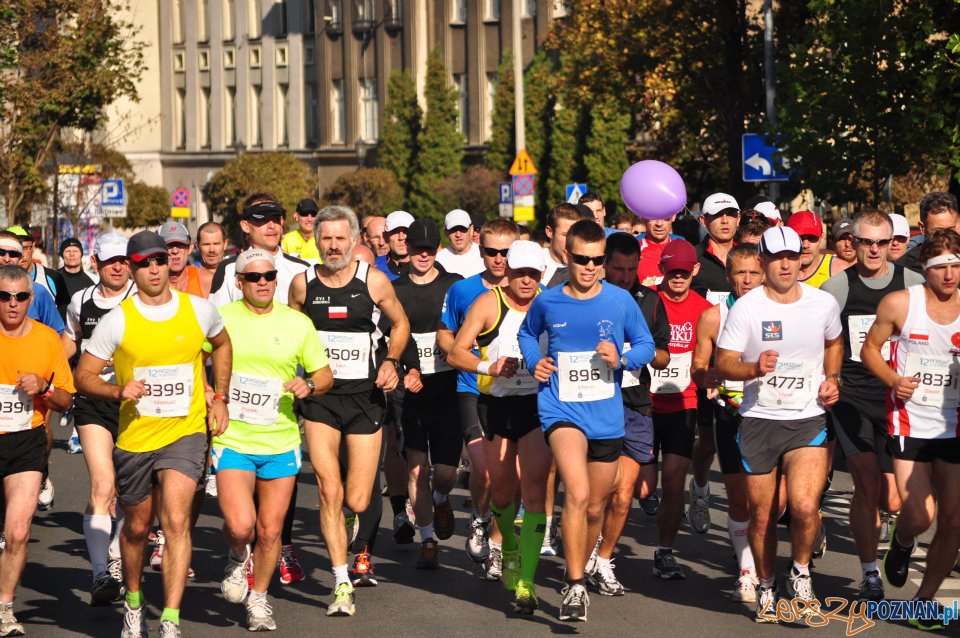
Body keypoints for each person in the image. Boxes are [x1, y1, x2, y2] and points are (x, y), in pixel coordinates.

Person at [74, 230, 232, 638]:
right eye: (145, 263)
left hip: (185, 432)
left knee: (176, 521)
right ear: (132, 268)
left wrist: (220, 396)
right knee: (138, 528)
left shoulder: (198, 310)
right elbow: (83, 375)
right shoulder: (118, 320)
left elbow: (222, 343)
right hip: (136, 438)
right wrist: (116, 390)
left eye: (160, 260)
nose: (155, 268)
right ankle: (133, 602)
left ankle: (171, 619)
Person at [518, 220, 655, 621]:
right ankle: (576, 585)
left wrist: (624, 359)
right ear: (566, 256)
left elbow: (646, 344)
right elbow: (529, 334)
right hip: (560, 408)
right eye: (582, 260)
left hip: (606, 416)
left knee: (596, 507)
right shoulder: (549, 301)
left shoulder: (619, 301)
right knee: (575, 493)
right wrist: (534, 361)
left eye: (598, 260)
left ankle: (576, 558)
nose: (590, 267)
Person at [715, 226, 843, 623]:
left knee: (805, 506)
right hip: (759, 421)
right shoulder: (747, 308)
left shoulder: (822, 303)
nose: (786, 264)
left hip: (807, 418)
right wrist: (754, 367)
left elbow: (834, 342)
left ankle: (801, 572)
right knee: (764, 515)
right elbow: (723, 364)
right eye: (777, 257)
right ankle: (767, 582)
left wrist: (832, 378)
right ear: (764, 261)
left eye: (792, 256)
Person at [288, 205, 410, 617]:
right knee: (328, 489)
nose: (334, 246)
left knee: (358, 498)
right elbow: (290, 335)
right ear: (316, 241)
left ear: (354, 240)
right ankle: (341, 582)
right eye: (326, 239)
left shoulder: (372, 281)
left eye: (341, 238)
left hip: (365, 399)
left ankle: (355, 537)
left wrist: (392, 361)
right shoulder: (302, 285)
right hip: (320, 400)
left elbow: (401, 324)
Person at [212, 249, 332, 632]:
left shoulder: (297, 323)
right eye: (254, 277)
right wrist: (213, 398)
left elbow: (324, 374)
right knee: (241, 526)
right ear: (239, 282)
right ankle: (236, 556)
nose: (262, 282)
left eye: (268, 276)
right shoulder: (221, 320)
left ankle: (259, 600)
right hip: (234, 437)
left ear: (276, 280)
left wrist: (308, 384)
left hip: (280, 439)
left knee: (269, 531)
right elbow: (196, 362)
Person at [821, 209, 922, 603]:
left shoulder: (911, 283)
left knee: (894, 499)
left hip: (899, 398)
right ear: (855, 243)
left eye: (882, 242)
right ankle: (868, 574)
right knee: (864, 482)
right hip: (853, 397)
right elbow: (824, 341)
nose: (875, 250)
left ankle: (903, 540)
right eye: (867, 242)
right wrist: (828, 380)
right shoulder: (837, 288)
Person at [861, 229, 960, 630]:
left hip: (954, 426)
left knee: (954, 521)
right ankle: (903, 541)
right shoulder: (901, 303)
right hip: (910, 422)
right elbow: (869, 348)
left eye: (956, 265)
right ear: (925, 270)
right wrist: (892, 379)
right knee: (918, 515)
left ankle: (923, 603)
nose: (950, 274)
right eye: (941, 267)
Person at [448, 240, 551, 613]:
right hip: (497, 406)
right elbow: (456, 351)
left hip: (538, 407)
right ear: (507, 271)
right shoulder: (489, 303)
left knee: (535, 490)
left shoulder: (551, 302)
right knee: (503, 493)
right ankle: (506, 542)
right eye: (520, 273)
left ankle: (527, 580)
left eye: (533, 274)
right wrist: (487, 367)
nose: (526, 281)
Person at [586, 232, 671, 595]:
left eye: (631, 269)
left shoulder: (650, 300)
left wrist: (638, 351)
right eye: (617, 268)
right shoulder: (590, 298)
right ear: (605, 264)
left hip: (635, 404)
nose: (624, 276)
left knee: (625, 494)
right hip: (593, 402)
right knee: (595, 495)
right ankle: (585, 551)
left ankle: (604, 560)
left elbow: (665, 355)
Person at [436, 219, 518, 574]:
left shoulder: (535, 292)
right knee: (484, 473)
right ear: (479, 249)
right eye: (491, 251)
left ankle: (493, 538)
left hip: (517, 395)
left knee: (506, 477)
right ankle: (481, 517)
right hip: (473, 389)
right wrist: (465, 357)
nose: (499, 259)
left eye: (506, 252)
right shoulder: (462, 290)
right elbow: (446, 335)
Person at [61, 232, 136, 606]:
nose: (119, 266)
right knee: (103, 485)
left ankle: (118, 558)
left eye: (124, 260)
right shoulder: (81, 301)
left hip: (134, 405)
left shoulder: (140, 300)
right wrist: (55, 372)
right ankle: (99, 574)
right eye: (111, 262)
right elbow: (70, 340)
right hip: (92, 402)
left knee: (130, 492)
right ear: (96, 264)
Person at [0, 265, 75, 636]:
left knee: (17, 531)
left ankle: (5, 609)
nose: (12, 304)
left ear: (31, 299)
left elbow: (65, 400)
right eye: (4, 296)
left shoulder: (47, 340)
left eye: (20, 297)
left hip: (26, 441)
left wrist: (44, 387)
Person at [691, 243, 765, 602]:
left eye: (754, 272)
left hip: (775, 416)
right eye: (741, 273)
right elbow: (698, 364)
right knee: (738, 498)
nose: (748, 280)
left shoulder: (782, 311)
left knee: (774, 503)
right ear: (728, 276)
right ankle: (747, 572)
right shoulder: (713, 316)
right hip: (731, 414)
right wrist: (704, 378)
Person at [391, 219, 463, 569]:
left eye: (429, 248)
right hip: (412, 389)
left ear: (437, 249)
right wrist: (406, 370)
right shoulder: (396, 290)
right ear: (406, 249)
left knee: (446, 472)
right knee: (417, 469)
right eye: (417, 247)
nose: (423, 253)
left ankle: (441, 498)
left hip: (448, 386)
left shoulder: (455, 285)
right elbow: (388, 340)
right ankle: (428, 538)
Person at [645, 240, 713, 577]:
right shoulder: (647, 303)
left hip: (683, 403)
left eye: (684, 272)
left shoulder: (704, 310)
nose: (678, 278)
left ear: (694, 271)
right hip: (644, 405)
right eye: (672, 272)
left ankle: (664, 551)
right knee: (640, 487)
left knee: (673, 483)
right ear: (662, 270)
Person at [209, 194, 310, 307]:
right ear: (245, 226)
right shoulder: (228, 269)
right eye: (262, 219)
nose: (271, 226)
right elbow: (216, 319)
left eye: (276, 218)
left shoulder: (303, 270)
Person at [6, 226, 69, 316]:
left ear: (33, 247)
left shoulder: (53, 278)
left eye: (24, 248)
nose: (21, 254)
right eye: (14, 250)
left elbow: (65, 315)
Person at [691, 193, 740, 305]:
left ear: (738, 219)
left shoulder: (751, 257)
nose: (725, 220)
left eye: (731, 214)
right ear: (703, 220)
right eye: (717, 214)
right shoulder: (692, 257)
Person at [895, 192, 960, 274]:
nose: (945, 237)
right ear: (922, 228)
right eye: (938, 231)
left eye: (950, 230)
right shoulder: (902, 270)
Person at [785, 211, 850, 287]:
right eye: (799, 237)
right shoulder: (775, 272)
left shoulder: (840, 270)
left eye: (812, 238)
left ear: (822, 238)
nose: (805, 245)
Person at [158, 222, 212, 298]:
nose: (175, 251)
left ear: (190, 248)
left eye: (180, 245)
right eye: (168, 246)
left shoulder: (207, 280)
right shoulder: (149, 284)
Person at [436, 209, 483, 278]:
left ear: (471, 229)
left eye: (462, 229)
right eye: (453, 229)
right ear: (445, 232)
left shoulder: (484, 255)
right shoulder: (438, 259)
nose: (458, 235)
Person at [542, 204, 581, 286]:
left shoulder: (588, 266)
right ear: (549, 232)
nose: (572, 241)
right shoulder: (535, 263)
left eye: (576, 235)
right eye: (566, 235)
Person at [636, 215, 675, 287]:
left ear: (673, 216)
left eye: (665, 217)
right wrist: (640, 290)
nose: (659, 224)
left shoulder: (682, 250)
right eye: (653, 217)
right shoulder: (633, 252)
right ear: (643, 217)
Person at [374, 211, 413, 281]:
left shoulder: (427, 267)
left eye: (406, 231)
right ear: (386, 236)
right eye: (395, 232)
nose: (401, 237)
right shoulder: (374, 267)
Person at [280, 198, 321, 263]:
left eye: (313, 214)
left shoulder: (324, 239)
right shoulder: (286, 240)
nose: (309, 219)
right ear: (295, 216)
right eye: (305, 214)